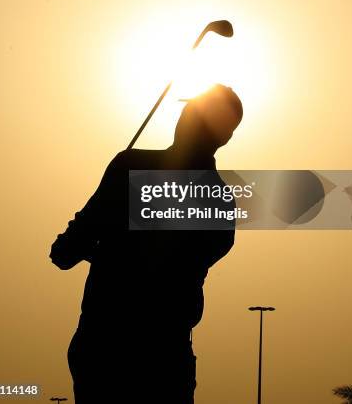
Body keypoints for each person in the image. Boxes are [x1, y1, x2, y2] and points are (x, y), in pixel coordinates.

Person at [50, 84, 243, 403]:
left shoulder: (130, 166)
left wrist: (82, 246)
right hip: (153, 353)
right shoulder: (220, 200)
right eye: (185, 113)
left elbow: (82, 246)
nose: (182, 120)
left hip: (121, 346)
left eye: (191, 116)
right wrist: (84, 245)